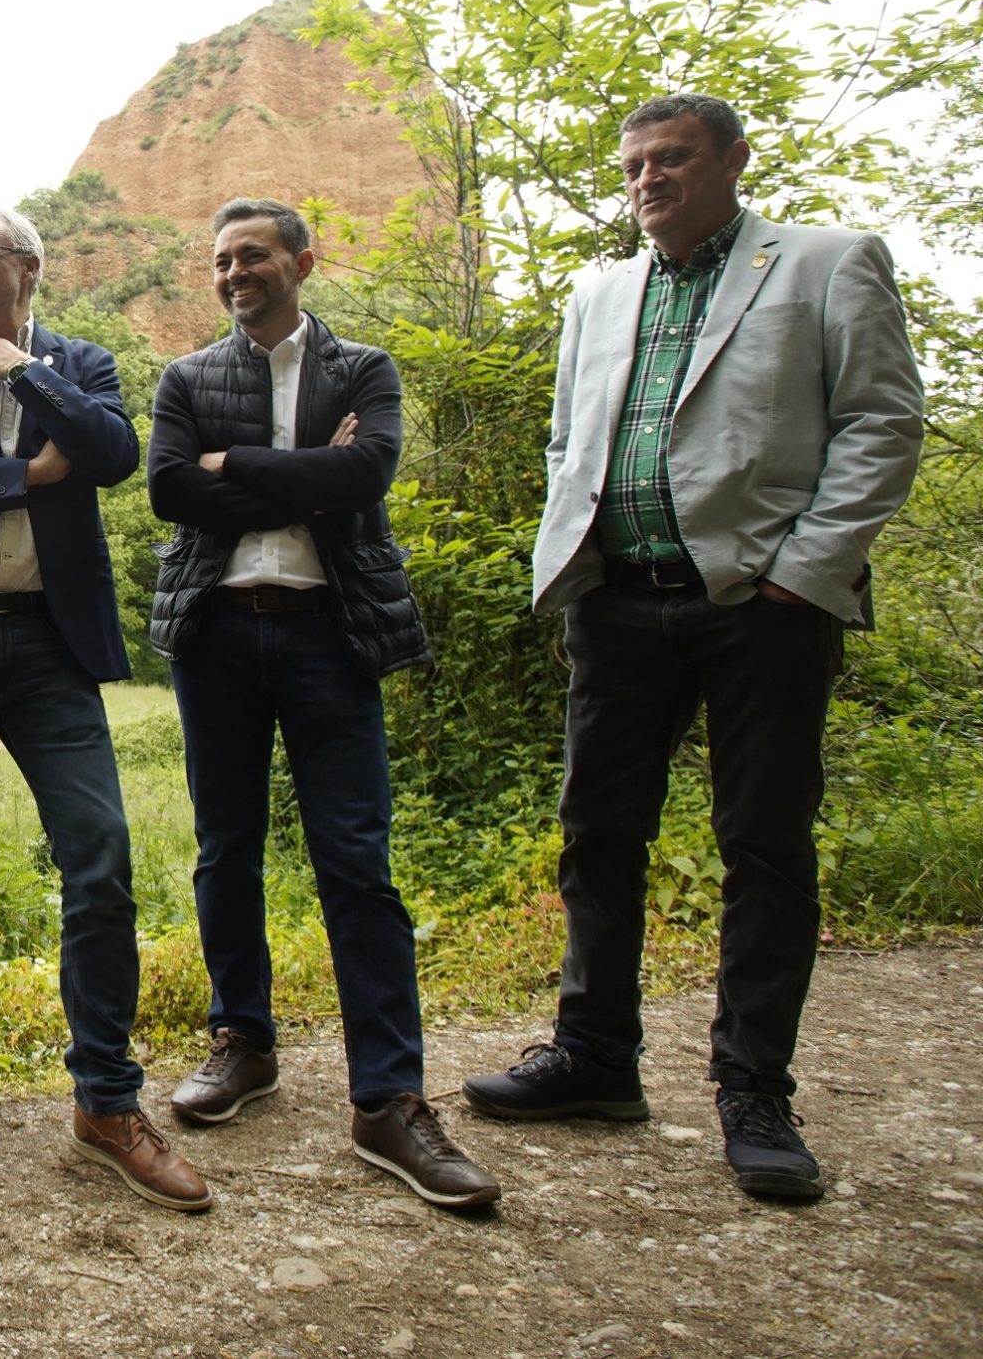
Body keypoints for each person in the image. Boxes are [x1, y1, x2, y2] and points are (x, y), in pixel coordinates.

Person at [463, 94, 924, 1200]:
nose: (646, 181)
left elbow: (882, 419)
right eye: (632, 166)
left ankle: (753, 1091)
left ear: (733, 160)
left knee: (762, 845)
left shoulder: (822, 263)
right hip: (615, 600)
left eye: (670, 160)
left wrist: (799, 574)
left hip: (760, 607)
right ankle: (594, 1058)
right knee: (596, 833)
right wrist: (569, 550)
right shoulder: (599, 290)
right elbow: (571, 433)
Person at [147, 197, 501, 1210]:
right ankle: (242, 1043)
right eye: (220, 260)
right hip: (215, 633)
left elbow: (367, 471)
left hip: (327, 634)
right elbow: (172, 490)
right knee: (225, 847)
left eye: (251, 255)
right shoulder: (187, 376)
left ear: (302, 261)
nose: (233, 273)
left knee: (355, 857)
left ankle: (387, 1100)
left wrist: (240, 467)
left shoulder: (363, 369)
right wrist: (307, 476)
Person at [0, 208, 208, 1210]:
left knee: (98, 855)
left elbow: (108, 453)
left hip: (52, 642)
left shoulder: (80, 360)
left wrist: (24, 371)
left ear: (26, 267)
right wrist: (23, 474)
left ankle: (105, 1099)